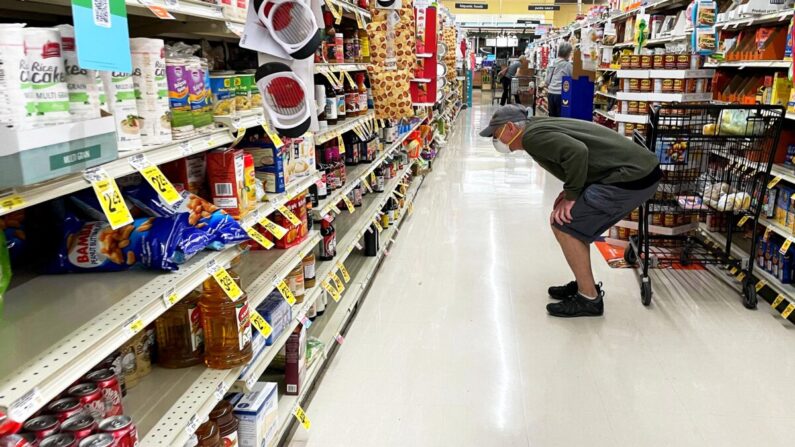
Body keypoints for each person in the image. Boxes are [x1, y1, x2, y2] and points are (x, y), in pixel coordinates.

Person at [479, 105, 662, 318]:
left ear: (510, 128)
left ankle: (589, 298)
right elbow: (577, 155)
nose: (494, 139)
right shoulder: (534, 129)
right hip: (634, 171)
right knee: (569, 223)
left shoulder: (532, 138)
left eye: (495, 133)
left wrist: (572, 195)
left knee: (564, 225)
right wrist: (570, 192)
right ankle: (585, 283)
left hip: (631, 177)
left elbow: (577, 152)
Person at [545, 42, 573, 117]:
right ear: (567, 53)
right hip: (562, 95)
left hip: (551, 93)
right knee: (560, 117)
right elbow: (574, 78)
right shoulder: (568, 65)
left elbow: (547, 81)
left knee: (552, 116)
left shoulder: (551, 63)